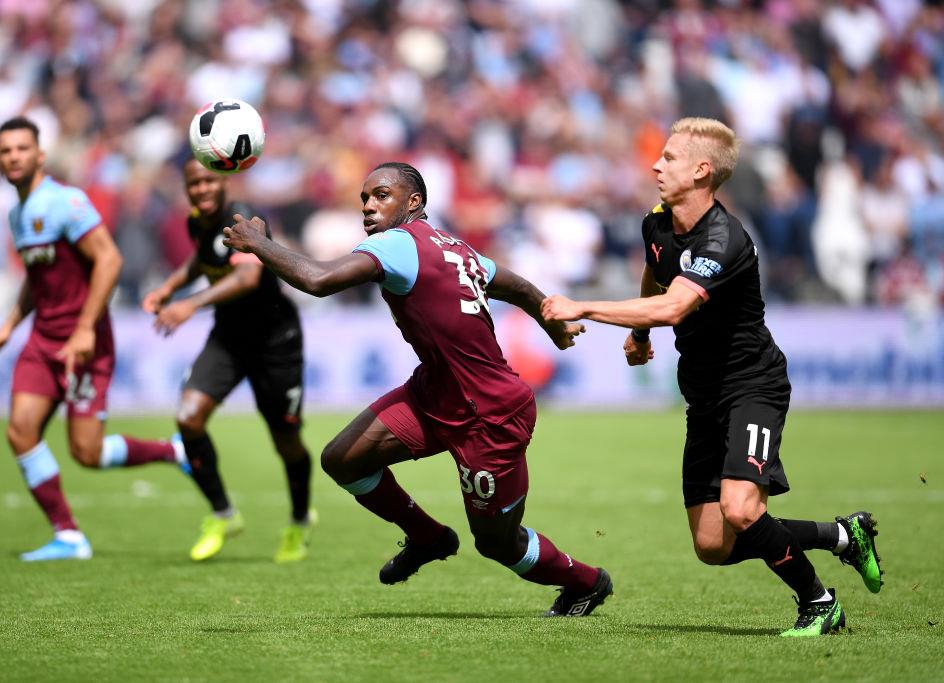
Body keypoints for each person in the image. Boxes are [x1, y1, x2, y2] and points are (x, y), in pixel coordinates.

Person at [541, 117, 883, 636]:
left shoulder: (724, 238)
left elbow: (675, 305)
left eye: (669, 158)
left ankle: (819, 603)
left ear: (702, 171)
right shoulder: (656, 221)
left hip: (752, 386)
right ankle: (842, 536)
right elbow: (657, 270)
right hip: (702, 394)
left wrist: (583, 305)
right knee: (712, 545)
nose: (656, 165)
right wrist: (640, 334)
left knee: (741, 510)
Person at [222, 161, 612, 616]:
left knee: (497, 544)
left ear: (414, 202)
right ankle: (428, 536)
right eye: (364, 198)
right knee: (343, 459)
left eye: (381, 195)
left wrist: (260, 244)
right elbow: (519, 287)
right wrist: (551, 323)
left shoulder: (396, 243)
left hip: (489, 414)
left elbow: (318, 280)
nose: (368, 206)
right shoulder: (454, 246)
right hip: (436, 393)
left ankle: (587, 582)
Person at [0, 116, 187, 561]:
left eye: (21, 148)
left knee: (87, 452)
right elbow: (38, 277)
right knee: (20, 432)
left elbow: (109, 261)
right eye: (5, 151)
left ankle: (174, 451)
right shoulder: (18, 214)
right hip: (43, 341)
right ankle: (69, 535)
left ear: (40, 155)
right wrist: (9, 326)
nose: (13, 157)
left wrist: (83, 329)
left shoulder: (66, 202)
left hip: (85, 343)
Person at [141, 159, 315, 563]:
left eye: (208, 180)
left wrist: (189, 304)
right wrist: (169, 287)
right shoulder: (196, 221)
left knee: (286, 442)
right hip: (229, 339)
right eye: (193, 183)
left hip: (275, 341)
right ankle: (223, 514)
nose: (201, 189)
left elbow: (247, 278)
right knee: (188, 418)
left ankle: (300, 520)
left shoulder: (244, 219)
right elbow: (201, 258)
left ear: (224, 181)